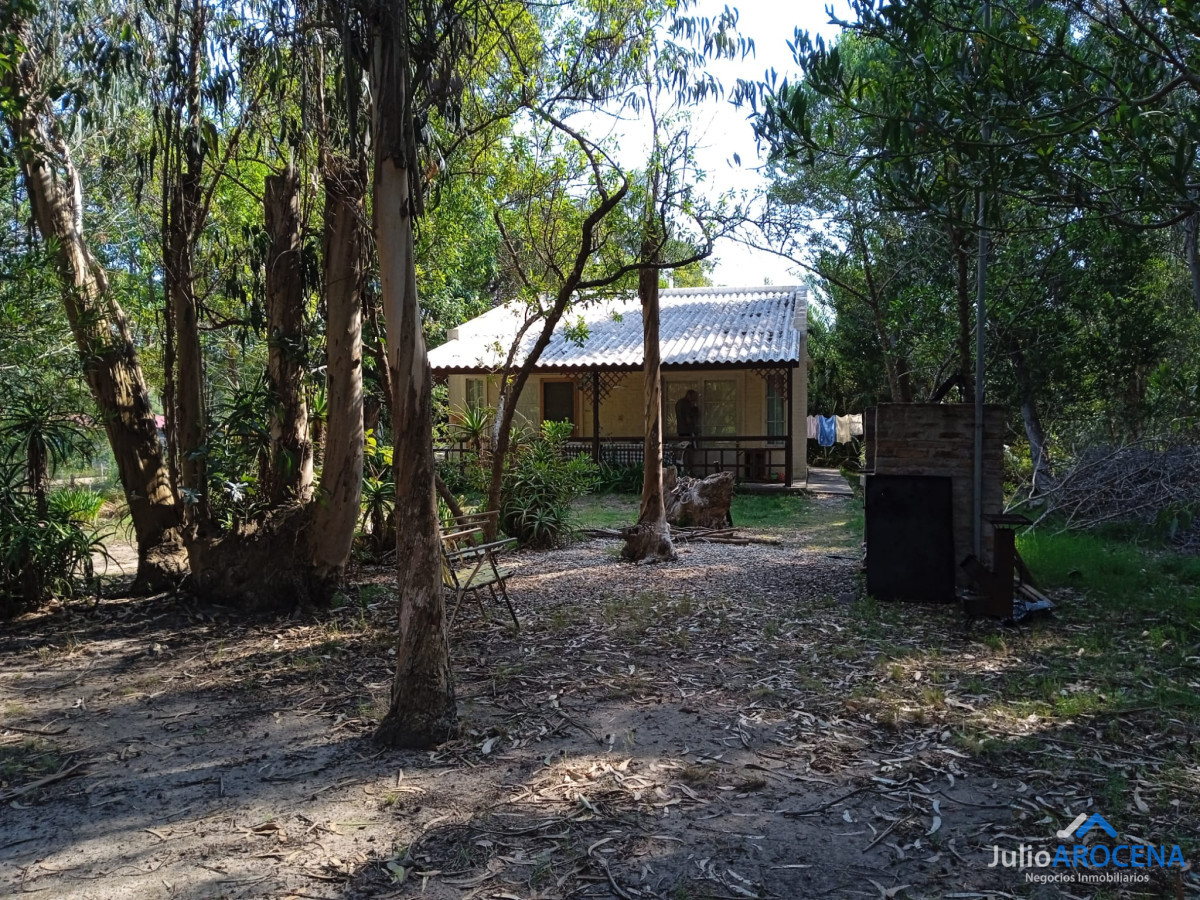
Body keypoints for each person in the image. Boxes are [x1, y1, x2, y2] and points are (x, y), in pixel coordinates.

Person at [674, 389, 700, 475]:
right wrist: (695, 412)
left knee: (682, 451)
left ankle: (682, 471)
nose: (695, 399)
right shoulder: (687, 404)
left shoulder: (679, 403)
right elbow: (688, 419)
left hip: (680, 430)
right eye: (694, 397)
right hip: (688, 431)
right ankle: (689, 471)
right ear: (689, 395)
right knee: (689, 451)